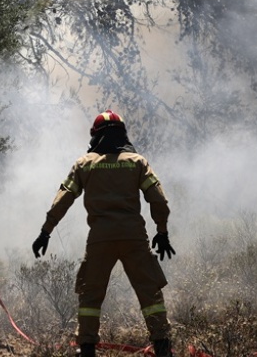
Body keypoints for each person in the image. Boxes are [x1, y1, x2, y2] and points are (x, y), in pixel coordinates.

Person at [32, 110, 176, 357]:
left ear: (96, 137)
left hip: (100, 239)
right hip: (134, 237)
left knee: (91, 295)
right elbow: (159, 201)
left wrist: (46, 231)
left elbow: (63, 199)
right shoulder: (137, 162)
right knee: (149, 292)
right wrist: (162, 232)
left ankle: (86, 348)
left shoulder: (85, 164)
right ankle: (162, 347)